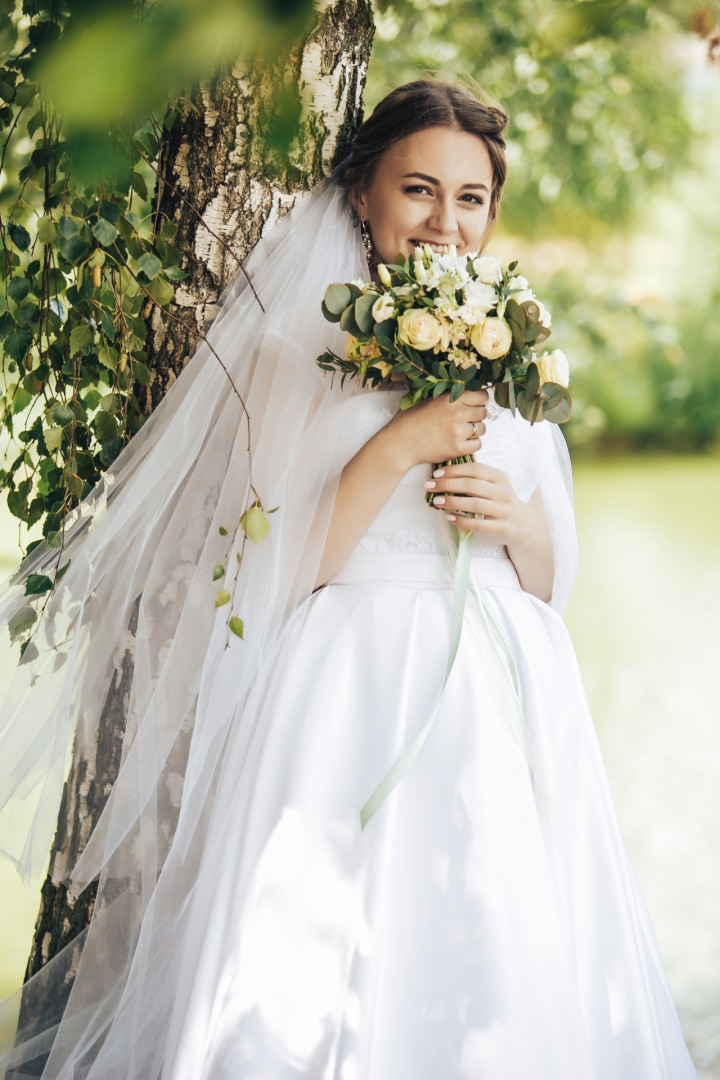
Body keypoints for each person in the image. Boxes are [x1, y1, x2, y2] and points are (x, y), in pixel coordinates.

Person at [0, 80, 698, 1079]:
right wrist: (395, 450)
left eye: (469, 198)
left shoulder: (517, 348)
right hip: (349, 682)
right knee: (328, 945)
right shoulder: (294, 357)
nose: (443, 221)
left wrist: (519, 522)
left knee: (501, 930)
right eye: (418, 190)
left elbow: (550, 577)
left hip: (501, 686)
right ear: (363, 195)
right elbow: (272, 573)